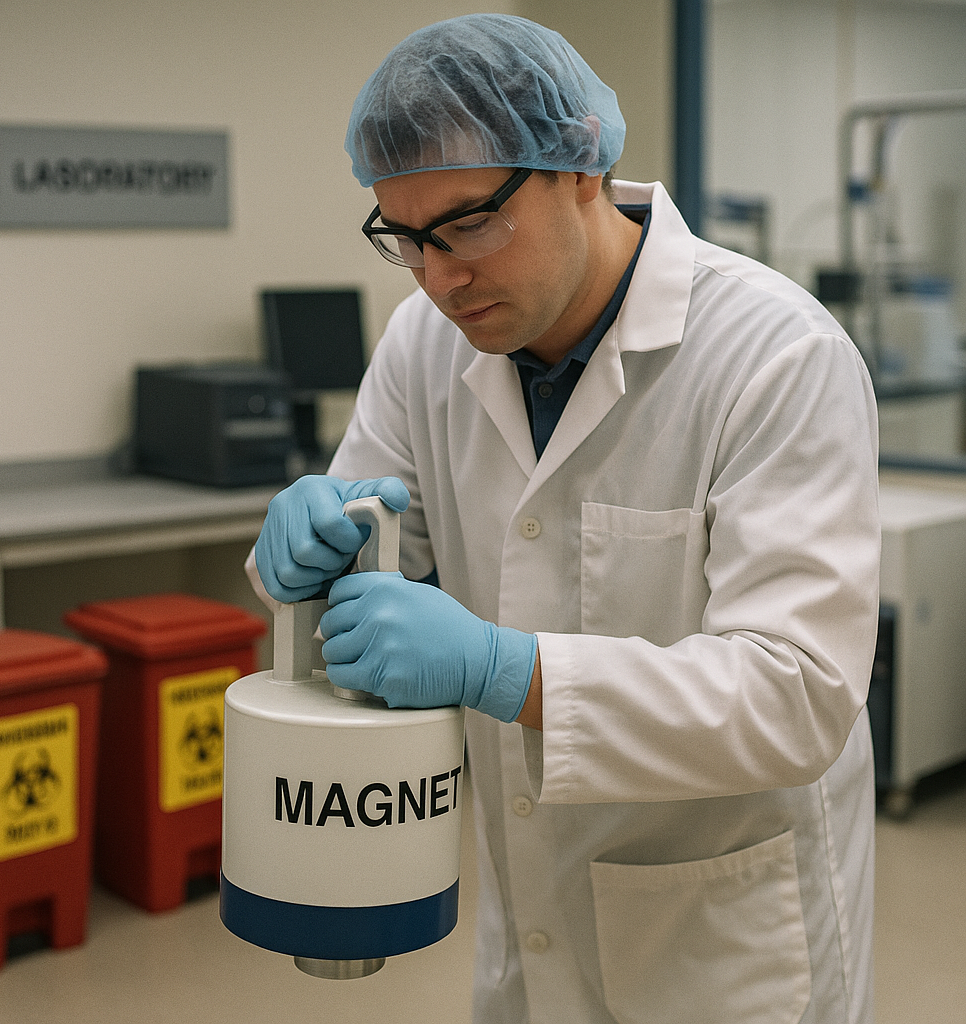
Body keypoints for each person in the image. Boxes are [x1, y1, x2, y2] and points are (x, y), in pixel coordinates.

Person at [249, 14, 880, 1023]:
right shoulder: (424, 341)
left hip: (718, 937)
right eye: (404, 238)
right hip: (527, 913)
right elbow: (373, 552)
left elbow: (796, 695)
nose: (438, 276)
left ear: (579, 164)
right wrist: (312, 557)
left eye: (465, 225)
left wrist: (509, 671)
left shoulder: (774, 354)